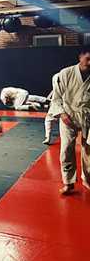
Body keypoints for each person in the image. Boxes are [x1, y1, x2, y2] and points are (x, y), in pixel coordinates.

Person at [51, 46, 90, 195]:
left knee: (88, 150)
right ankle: (68, 182)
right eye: (88, 59)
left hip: (88, 116)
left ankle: (87, 179)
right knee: (66, 148)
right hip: (68, 114)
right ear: (80, 56)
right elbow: (56, 98)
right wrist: (62, 114)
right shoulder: (66, 73)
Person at [43, 73, 60, 145]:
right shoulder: (57, 77)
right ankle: (48, 137)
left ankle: (48, 137)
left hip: (62, 103)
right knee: (48, 119)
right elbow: (54, 91)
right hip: (57, 103)